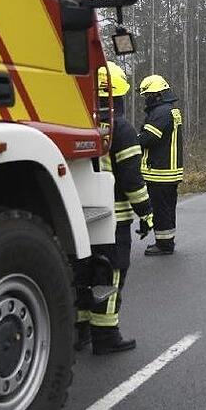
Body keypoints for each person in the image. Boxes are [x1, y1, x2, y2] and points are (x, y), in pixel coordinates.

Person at [75, 61, 154, 355]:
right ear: (120, 95)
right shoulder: (120, 128)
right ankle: (106, 336)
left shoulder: (77, 121)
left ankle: (80, 331)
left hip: (79, 216)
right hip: (114, 217)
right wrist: (146, 214)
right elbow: (132, 179)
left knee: (82, 271)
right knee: (110, 274)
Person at [138, 75, 183, 256]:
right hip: (170, 170)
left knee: (161, 209)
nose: (146, 100)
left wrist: (134, 140)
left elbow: (149, 138)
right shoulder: (170, 110)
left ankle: (164, 245)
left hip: (160, 171)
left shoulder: (161, 113)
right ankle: (167, 240)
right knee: (167, 207)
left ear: (156, 95)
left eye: (147, 95)